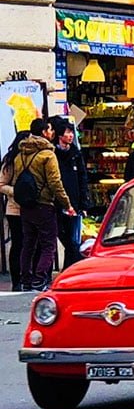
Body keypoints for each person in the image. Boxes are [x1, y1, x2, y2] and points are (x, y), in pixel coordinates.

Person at [14, 119, 75, 292]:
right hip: (44, 204)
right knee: (49, 244)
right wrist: (67, 204)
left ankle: (26, 279)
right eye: (49, 130)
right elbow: (55, 183)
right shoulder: (47, 155)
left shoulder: (21, 154)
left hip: (26, 205)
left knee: (28, 243)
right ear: (43, 133)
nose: (52, 132)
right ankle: (39, 279)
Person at [52, 118, 88, 268]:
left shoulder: (76, 154)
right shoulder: (52, 154)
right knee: (64, 238)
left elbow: (82, 178)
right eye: (68, 133)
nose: (71, 136)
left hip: (74, 203)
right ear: (60, 135)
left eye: (71, 132)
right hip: (56, 204)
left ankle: (69, 270)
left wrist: (84, 203)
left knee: (73, 241)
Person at [0, 131, 30, 290]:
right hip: (14, 208)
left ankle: (26, 277)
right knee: (18, 243)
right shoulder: (10, 160)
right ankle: (16, 280)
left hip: (31, 208)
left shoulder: (32, 159)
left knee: (29, 243)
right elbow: (1, 184)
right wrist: (16, 192)